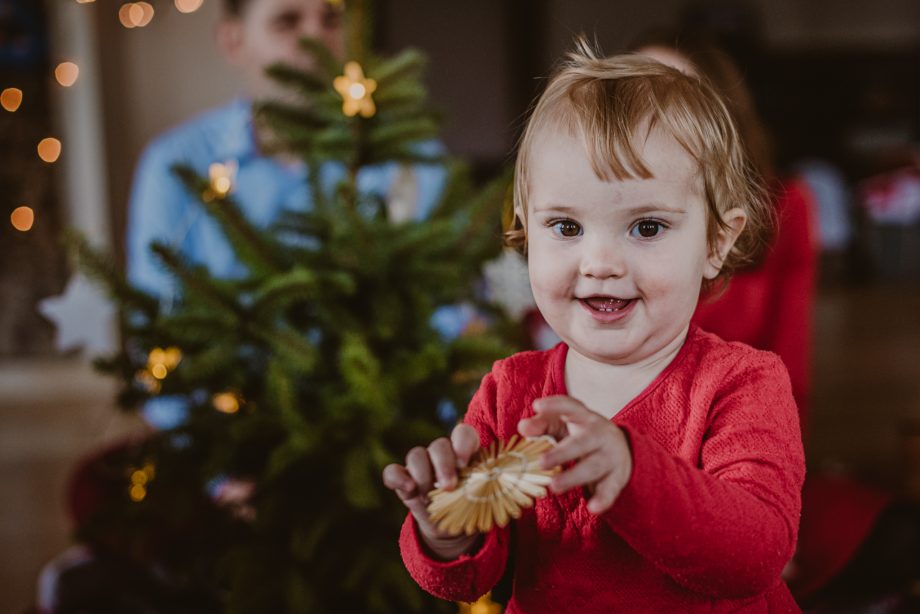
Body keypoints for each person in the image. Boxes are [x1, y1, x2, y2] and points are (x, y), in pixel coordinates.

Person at [382, 44, 805, 612]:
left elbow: (755, 555)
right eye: (565, 226)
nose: (600, 262)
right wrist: (446, 530)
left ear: (715, 242)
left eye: (647, 227)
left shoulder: (742, 384)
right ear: (526, 230)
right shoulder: (511, 390)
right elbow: (470, 579)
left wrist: (632, 472)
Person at [126, 0, 446, 303]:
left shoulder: (405, 153)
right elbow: (157, 318)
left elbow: (449, 301)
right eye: (287, 22)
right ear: (233, 41)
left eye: (330, 19)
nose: (316, 39)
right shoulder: (177, 164)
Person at [632, 30, 818, 422]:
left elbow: (791, 371)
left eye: (673, 99)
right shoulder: (593, 219)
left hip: (737, 432)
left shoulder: (783, 205)